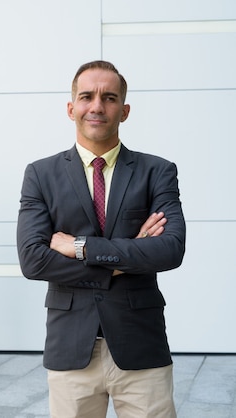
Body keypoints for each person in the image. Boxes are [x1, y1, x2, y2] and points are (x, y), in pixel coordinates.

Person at [16, 60, 186, 417]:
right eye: (86, 96)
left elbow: (170, 249)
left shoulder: (157, 171)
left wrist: (80, 247)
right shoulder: (40, 175)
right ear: (70, 108)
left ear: (124, 111)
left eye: (109, 98)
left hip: (141, 347)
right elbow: (33, 260)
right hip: (71, 348)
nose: (96, 106)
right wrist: (128, 256)